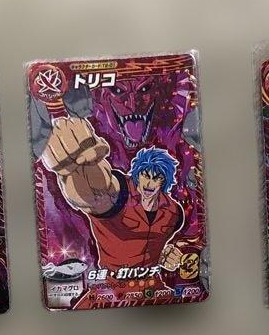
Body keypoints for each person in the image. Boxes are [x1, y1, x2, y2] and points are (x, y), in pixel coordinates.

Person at [40, 116, 189, 274]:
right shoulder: (122, 192)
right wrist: (80, 167)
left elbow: (183, 238)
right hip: (111, 282)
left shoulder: (174, 212)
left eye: (156, 178)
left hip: (153, 282)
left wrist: (167, 253)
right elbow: (98, 196)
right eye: (145, 176)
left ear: (164, 181)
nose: (149, 183)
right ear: (137, 175)